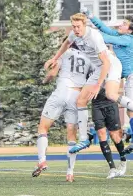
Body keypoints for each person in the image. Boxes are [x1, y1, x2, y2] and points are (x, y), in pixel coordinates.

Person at [82, 8, 133, 171]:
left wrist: (86, 32)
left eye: (124, 24)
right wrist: (91, 16)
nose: (120, 24)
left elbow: (105, 36)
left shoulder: (128, 39)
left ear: (130, 30)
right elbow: (105, 29)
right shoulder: (122, 37)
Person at [44, 13, 121, 154]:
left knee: (110, 96)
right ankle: (84, 138)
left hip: (108, 67)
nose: (76, 29)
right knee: (80, 101)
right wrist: (55, 58)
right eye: (73, 27)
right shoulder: (74, 36)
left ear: (84, 25)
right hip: (98, 70)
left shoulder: (95, 37)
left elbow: (106, 62)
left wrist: (98, 84)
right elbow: (66, 43)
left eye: (78, 26)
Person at [33, 42, 92, 182]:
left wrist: (45, 80)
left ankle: (42, 160)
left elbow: (52, 73)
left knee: (43, 128)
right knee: (71, 135)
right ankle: (70, 173)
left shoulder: (65, 53)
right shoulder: (89, 58)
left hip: (62, 91)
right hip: (76, 95)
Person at [92, 87, 127, 179]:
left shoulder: (109, 72)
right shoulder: (88, 72)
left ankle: (123, 161)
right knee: (101, 133)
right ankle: (112, 168)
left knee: (114, 136)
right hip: (96, 104)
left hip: (110, 103)